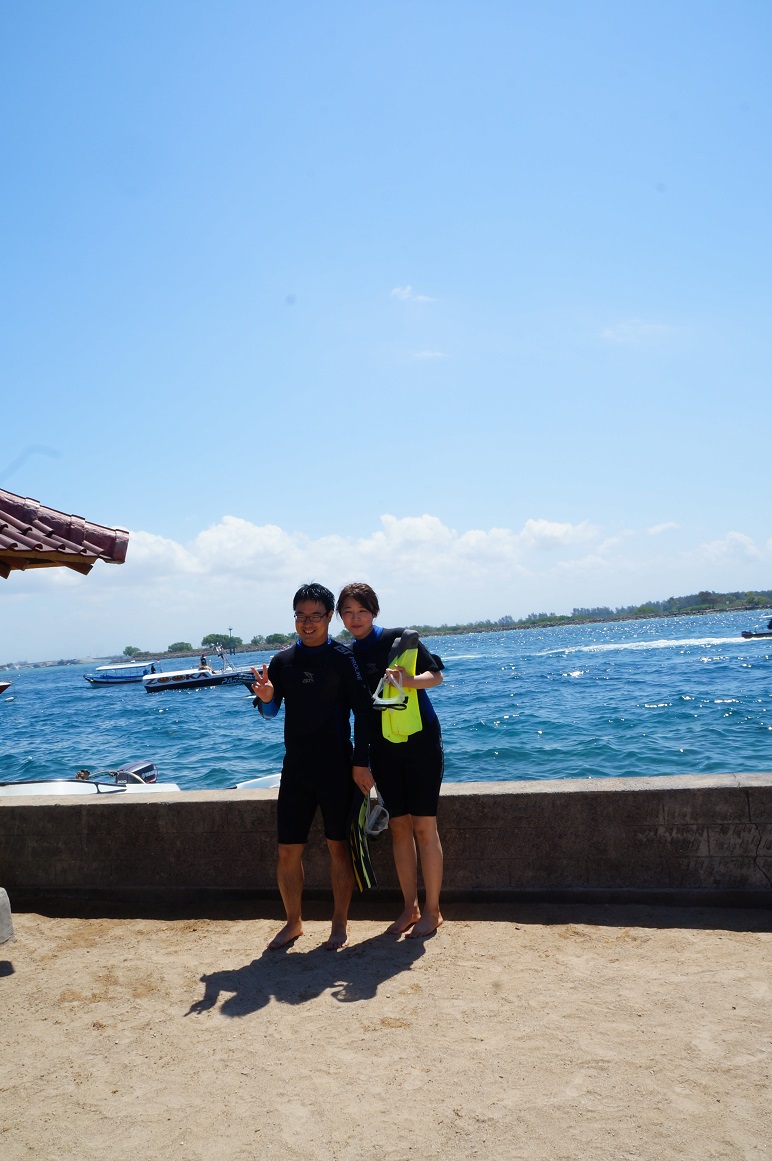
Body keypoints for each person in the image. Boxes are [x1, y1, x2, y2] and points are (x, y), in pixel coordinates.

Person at [251, 582, 372, 951]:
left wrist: (360, 763)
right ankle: (293, 922)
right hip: (297, 769)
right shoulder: (283, 662)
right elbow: (270, 711)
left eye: (315, 616)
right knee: (288, 851)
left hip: (336, 767)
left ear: (329, 617)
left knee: (339, 848)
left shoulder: (343, 658)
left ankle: (339, 923)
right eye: (300, 616)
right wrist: (267, 698)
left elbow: (365, 713)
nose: (307, 623)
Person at [337, 582, 445, 939]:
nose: (355, 618)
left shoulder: (400, 639)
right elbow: (360, 713)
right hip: (383, 750)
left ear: (374, 612)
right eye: (348, 612)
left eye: (362, 611)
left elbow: (437, 676)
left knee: (424, 826)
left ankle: (433, 910)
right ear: (341, 617)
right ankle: (410, 907)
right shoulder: (348, 655)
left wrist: (407, 680)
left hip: (421, 742)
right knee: (399, 827)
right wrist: (361, 759)